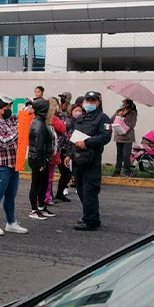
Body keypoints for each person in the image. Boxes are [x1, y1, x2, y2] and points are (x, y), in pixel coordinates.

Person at [64, 91, 112, 231]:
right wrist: (68, 155)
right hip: (78, 159)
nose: (89, 103)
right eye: (88, 101)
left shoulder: (103, 118)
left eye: (93, 101)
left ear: (98, 103)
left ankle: (91, 220)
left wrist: (88, 142)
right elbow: (73, 138)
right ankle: (89, 215)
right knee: (80, 190)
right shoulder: (81, 118)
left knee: (90, 190)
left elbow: (105, 137)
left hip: (92, 160)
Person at [0, 95, 31, 236]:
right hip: (1, 165)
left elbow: (21, 116)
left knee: (10, 196)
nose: (10, 110)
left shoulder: (8, 120)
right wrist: (19, 131)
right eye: (7, 107)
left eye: (10, 107)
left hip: (13, 164)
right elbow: (4, 142)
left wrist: (27, 109)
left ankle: (11, 223)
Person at [28, 99, 54, 220]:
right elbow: (39, 145)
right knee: (36, 185)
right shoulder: (38, 124)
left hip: (41, 158)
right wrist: (42, 162)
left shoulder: (41, 122)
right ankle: (34, 210)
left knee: (44, 184)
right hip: (37, 159)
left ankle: (41, 207)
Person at [55, 103, 83, 202]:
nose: (78, 113)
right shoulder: (68, 121)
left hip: (73, 149)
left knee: (67, 173)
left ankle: (59, 193)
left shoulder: (81, 122)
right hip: (64, 149)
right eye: (76, 111)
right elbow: (65, 135)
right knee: (66, 173)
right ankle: (58, 193)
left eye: (80, 111)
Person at [44, 98, 66, 206]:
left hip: (48, 151)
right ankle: (46, 197)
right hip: (51, 151)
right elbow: (62, 128)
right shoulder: (53, 119)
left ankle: (47, 196)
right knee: (49, 177)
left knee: (47, 177)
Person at [111, 99, 138, 177]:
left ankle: (127, 171)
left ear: (127, 104)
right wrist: (118, 116)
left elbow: (131, 124)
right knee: (119, 155)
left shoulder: (132, 113)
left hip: (128, 137)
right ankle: (117, 171)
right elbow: (111, 119)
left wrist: (122, 118)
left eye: (124, 102)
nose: (122, 103)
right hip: (119, 137)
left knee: (126, 155)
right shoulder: (118, 111)